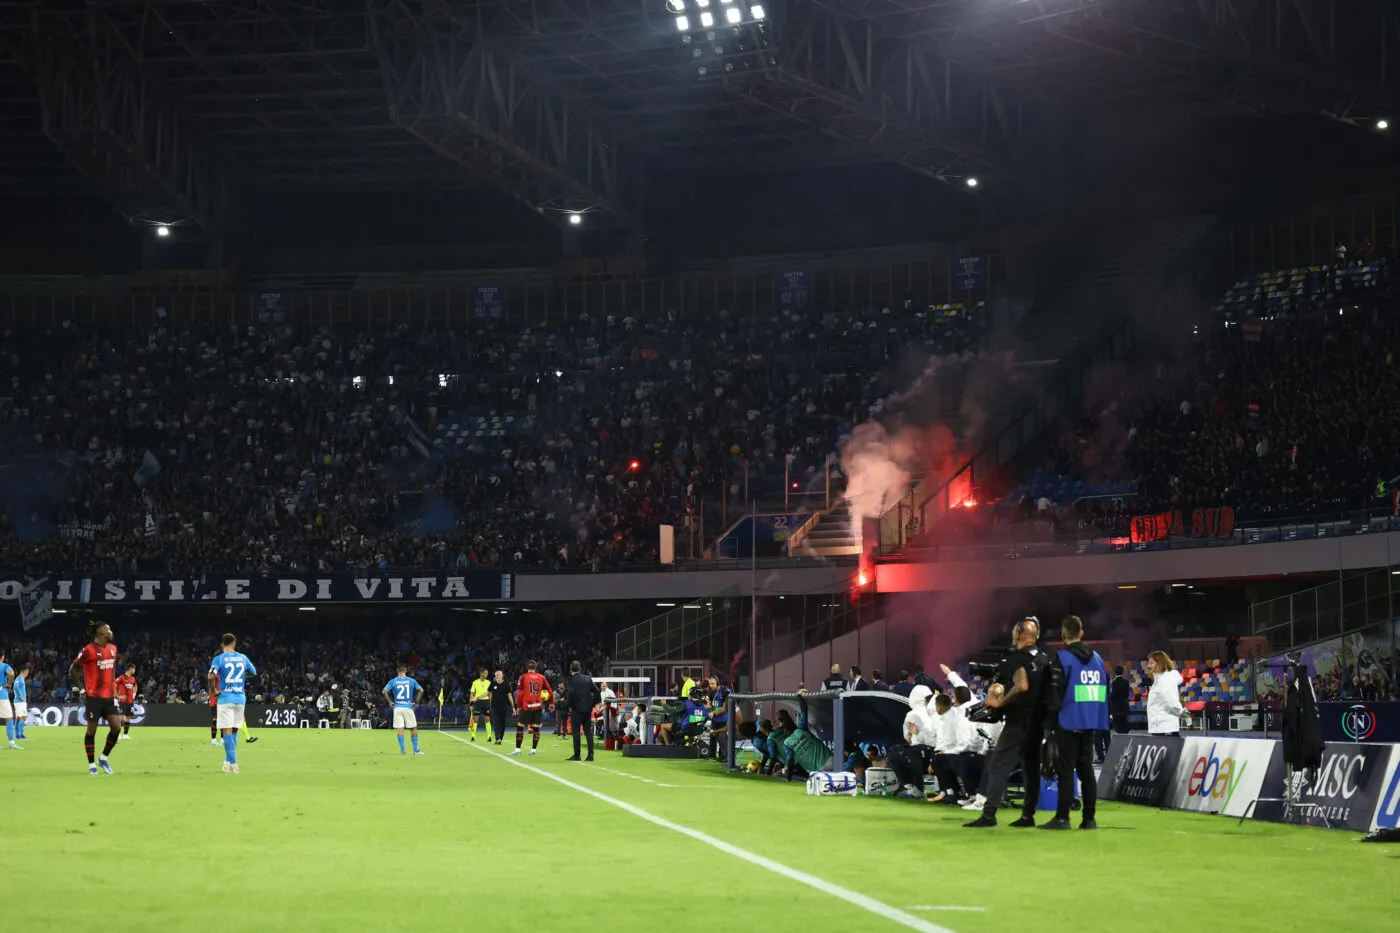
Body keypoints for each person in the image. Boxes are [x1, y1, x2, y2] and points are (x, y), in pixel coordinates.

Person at [964, 616, 1051, 829]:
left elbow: (1021, 685)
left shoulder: (1016, 657)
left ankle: (989, 815)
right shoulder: (1043, 657)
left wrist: (1002, 701)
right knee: (1031, 769)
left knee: (997, 766)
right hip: (1039, 721)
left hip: (1019, 720)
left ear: (1020, 635)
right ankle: (1027, 816)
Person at [1040, 615, 1108, 831]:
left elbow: (1056, 692)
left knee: (1066, 771)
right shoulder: (1097, 658)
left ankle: (1062, 818)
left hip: (1068, 720)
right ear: (1082, 632)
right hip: (1091, 720)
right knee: (1086, 771)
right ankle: (1089, 819)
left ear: (1063, 634)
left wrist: (1048, 723)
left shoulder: (1062, 658)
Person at [68, 622, 123, 774]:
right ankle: (91, 765)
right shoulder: (88, 650)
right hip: (94, 697)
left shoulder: (113, 649)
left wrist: (115, 691)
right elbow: (73, 670)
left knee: (117, 727)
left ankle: (103, 758)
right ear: (100, 633)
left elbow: (111, 672)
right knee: (92, 731)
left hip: (110, 697)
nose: (111, 632)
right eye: (108, 630)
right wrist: (81, 690)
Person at [208, 633, 257, 774]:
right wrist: (242, 678)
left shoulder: (219, 659)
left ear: (222, 644)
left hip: (225, 698)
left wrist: (214, 690)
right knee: (234, 730)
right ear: (235, 644)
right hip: (240, 698)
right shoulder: (243, 658)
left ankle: (234, 764)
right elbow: (254, 672)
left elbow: (211, 675)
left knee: (227, 731)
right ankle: (227, 762)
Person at [382, 663, 424, 755]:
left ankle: (403, 750)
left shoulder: (393, 681)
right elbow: (421, 690)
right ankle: (416, 750)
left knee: (400, 729)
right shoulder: (411, 681)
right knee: (413, 728)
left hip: (397, 707)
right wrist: (416, 702)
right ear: (406, 670)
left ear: (397, 671)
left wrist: (389, 702)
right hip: (408, 707)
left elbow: (384, 692)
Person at [511, 660, 550, 756]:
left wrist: (518, 706)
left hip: (526, 706)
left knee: (520, 726)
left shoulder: (523, 677)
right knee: (536, 728)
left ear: (527, 667)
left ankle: (517, 749)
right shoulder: (541, 677)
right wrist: (551, 702)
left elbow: (520, 694)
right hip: (538, 706)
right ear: (536, 667)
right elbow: (549, 689)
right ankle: (533, 750)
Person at [564, 660, 601, 762]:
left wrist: (569, 706)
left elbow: (570, 694)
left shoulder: (571, 680)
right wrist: (592, 704)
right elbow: (597, 691)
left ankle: (577, 755)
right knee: (588, 732)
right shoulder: (587, 678)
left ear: (571, 669)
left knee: (576, 733)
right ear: (579, 668)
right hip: (587, 709)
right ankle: (590, 755)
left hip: (576, 709)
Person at [1145, 650, 1185, 736]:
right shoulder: (1159, 680)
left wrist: (1181, 712)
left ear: (1160, 663)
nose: (1148, 666)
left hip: (1165, 728)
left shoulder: (1165, 680)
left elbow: (1170, 700)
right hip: (1160, 727)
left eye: (1151, 663)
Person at [488, 670, 514, 746]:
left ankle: (500, 738)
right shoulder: (492, 684)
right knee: (496, 723)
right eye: (495, 675)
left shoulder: (506, 685)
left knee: (502, 724)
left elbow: (509, 696)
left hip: (503, 707)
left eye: (498, 675)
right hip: (494, 707)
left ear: (502, 675)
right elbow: (489, 694)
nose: (496, 676)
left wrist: (513, 706)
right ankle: (497, 738)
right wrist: (489, 704)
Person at [115, 664, 138, 740]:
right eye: (134, 669)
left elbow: (135, 686)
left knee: (128, 717)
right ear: (130, 669)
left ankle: (125, 734)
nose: (134, 670)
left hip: (130, 701)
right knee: (120, 717)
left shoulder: (133, 678)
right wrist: (118, 696)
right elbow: (114, 685)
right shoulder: (121, 677)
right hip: (122, 701)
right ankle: (117, 734)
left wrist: (134, 694)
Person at [469, 668, 492, 742]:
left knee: (487, 719)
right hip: (477, 702)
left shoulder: (488, 682)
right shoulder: (475, 682)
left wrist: (491, 703)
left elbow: (490, 693)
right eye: (485, 673)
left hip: (486, 702)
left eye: (487, 673)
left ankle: (489, 737)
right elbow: (472, 693)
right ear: (481, 673)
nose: (487, 674)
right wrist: (471, 704)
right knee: (475, 719)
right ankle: (473, 737)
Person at [0, 650, 17, 750]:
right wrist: (10, 684)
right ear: (2, 657)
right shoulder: (4, 666)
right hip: (1, 694)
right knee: (9, 718)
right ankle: (11, 743)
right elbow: (11, 674)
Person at [1109, 665, 1131, 735]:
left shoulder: (1114, 682)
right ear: (1123, 672)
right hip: (1124, 705)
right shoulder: (1126, 681)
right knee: (1123, 722)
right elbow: (1127, 694)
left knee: (1117, 723)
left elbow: (1114, 694)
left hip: (1116, 707)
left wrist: (1109, 698)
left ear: (1115, 672)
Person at [11, 664, 28, 743]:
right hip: (19, 702)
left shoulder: (21, 679)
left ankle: (17, 735)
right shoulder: (19, 678)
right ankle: (20, 735)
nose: (28, 672)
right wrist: (20, 696)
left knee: (18, 718)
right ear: (25, 671)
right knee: (23, 717)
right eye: (27, 671)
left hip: (20, 702)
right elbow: (15, 687)